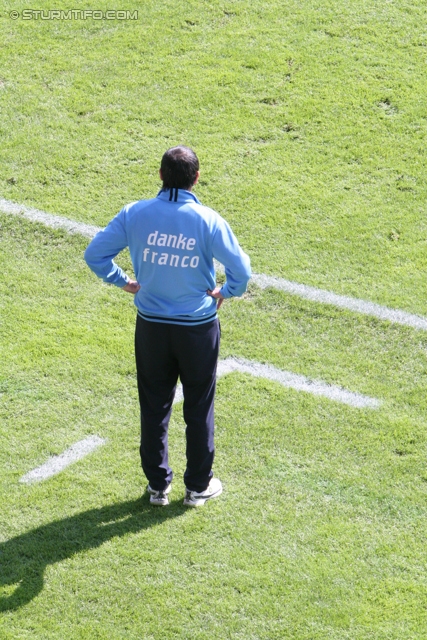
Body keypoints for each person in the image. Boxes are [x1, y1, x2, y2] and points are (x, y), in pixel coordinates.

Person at [84, 146, 251, 507]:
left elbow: (94, 254)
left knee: (154, 405)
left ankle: (158, 486)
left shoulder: (135, 213)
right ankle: (197, 487)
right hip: (197, 330)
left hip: (152, 328)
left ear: (160, 175)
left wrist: (122, 281)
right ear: (197, 177)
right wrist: (228, 291)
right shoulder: (208, 220)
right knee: (199, 406)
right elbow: (242, 271)